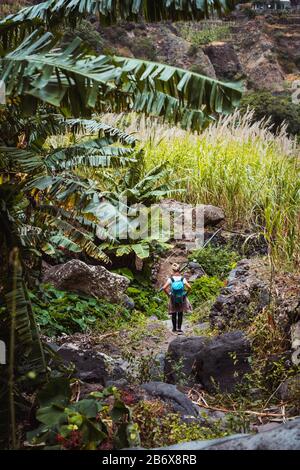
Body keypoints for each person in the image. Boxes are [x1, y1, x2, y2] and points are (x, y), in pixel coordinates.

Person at [162, 263, 192, 334]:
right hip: (182, 297)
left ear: (173, 271)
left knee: (174, 313)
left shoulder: (171, 279)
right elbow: (189, 287)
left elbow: (164, 288)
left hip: (173, 297)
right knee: (180, 313)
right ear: (179, 270)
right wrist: (185, 294)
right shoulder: (182, 279)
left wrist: (169, 295)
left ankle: (174, 329)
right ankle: (179, 329)